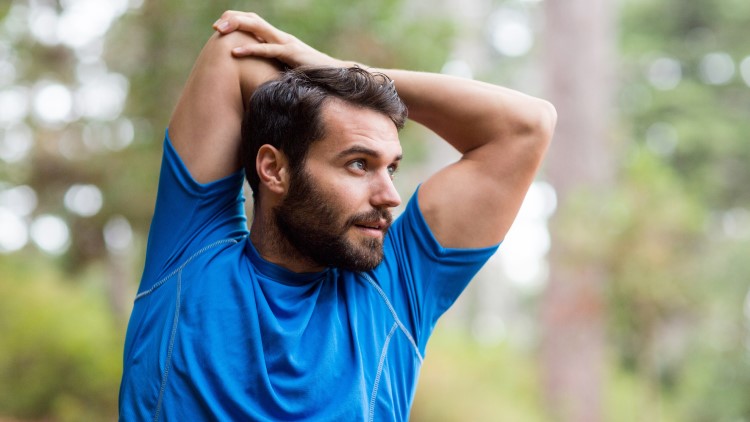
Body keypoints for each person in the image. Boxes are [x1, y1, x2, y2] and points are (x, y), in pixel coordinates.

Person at [119, 10, 556, 421]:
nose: (389, 195)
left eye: (392, 167)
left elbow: (528, 125)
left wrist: (344, 72)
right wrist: (332, 85)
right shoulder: (192, 251)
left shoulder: (397, 288)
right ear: (274, 169)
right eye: (358, 164)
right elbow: (233, 50)